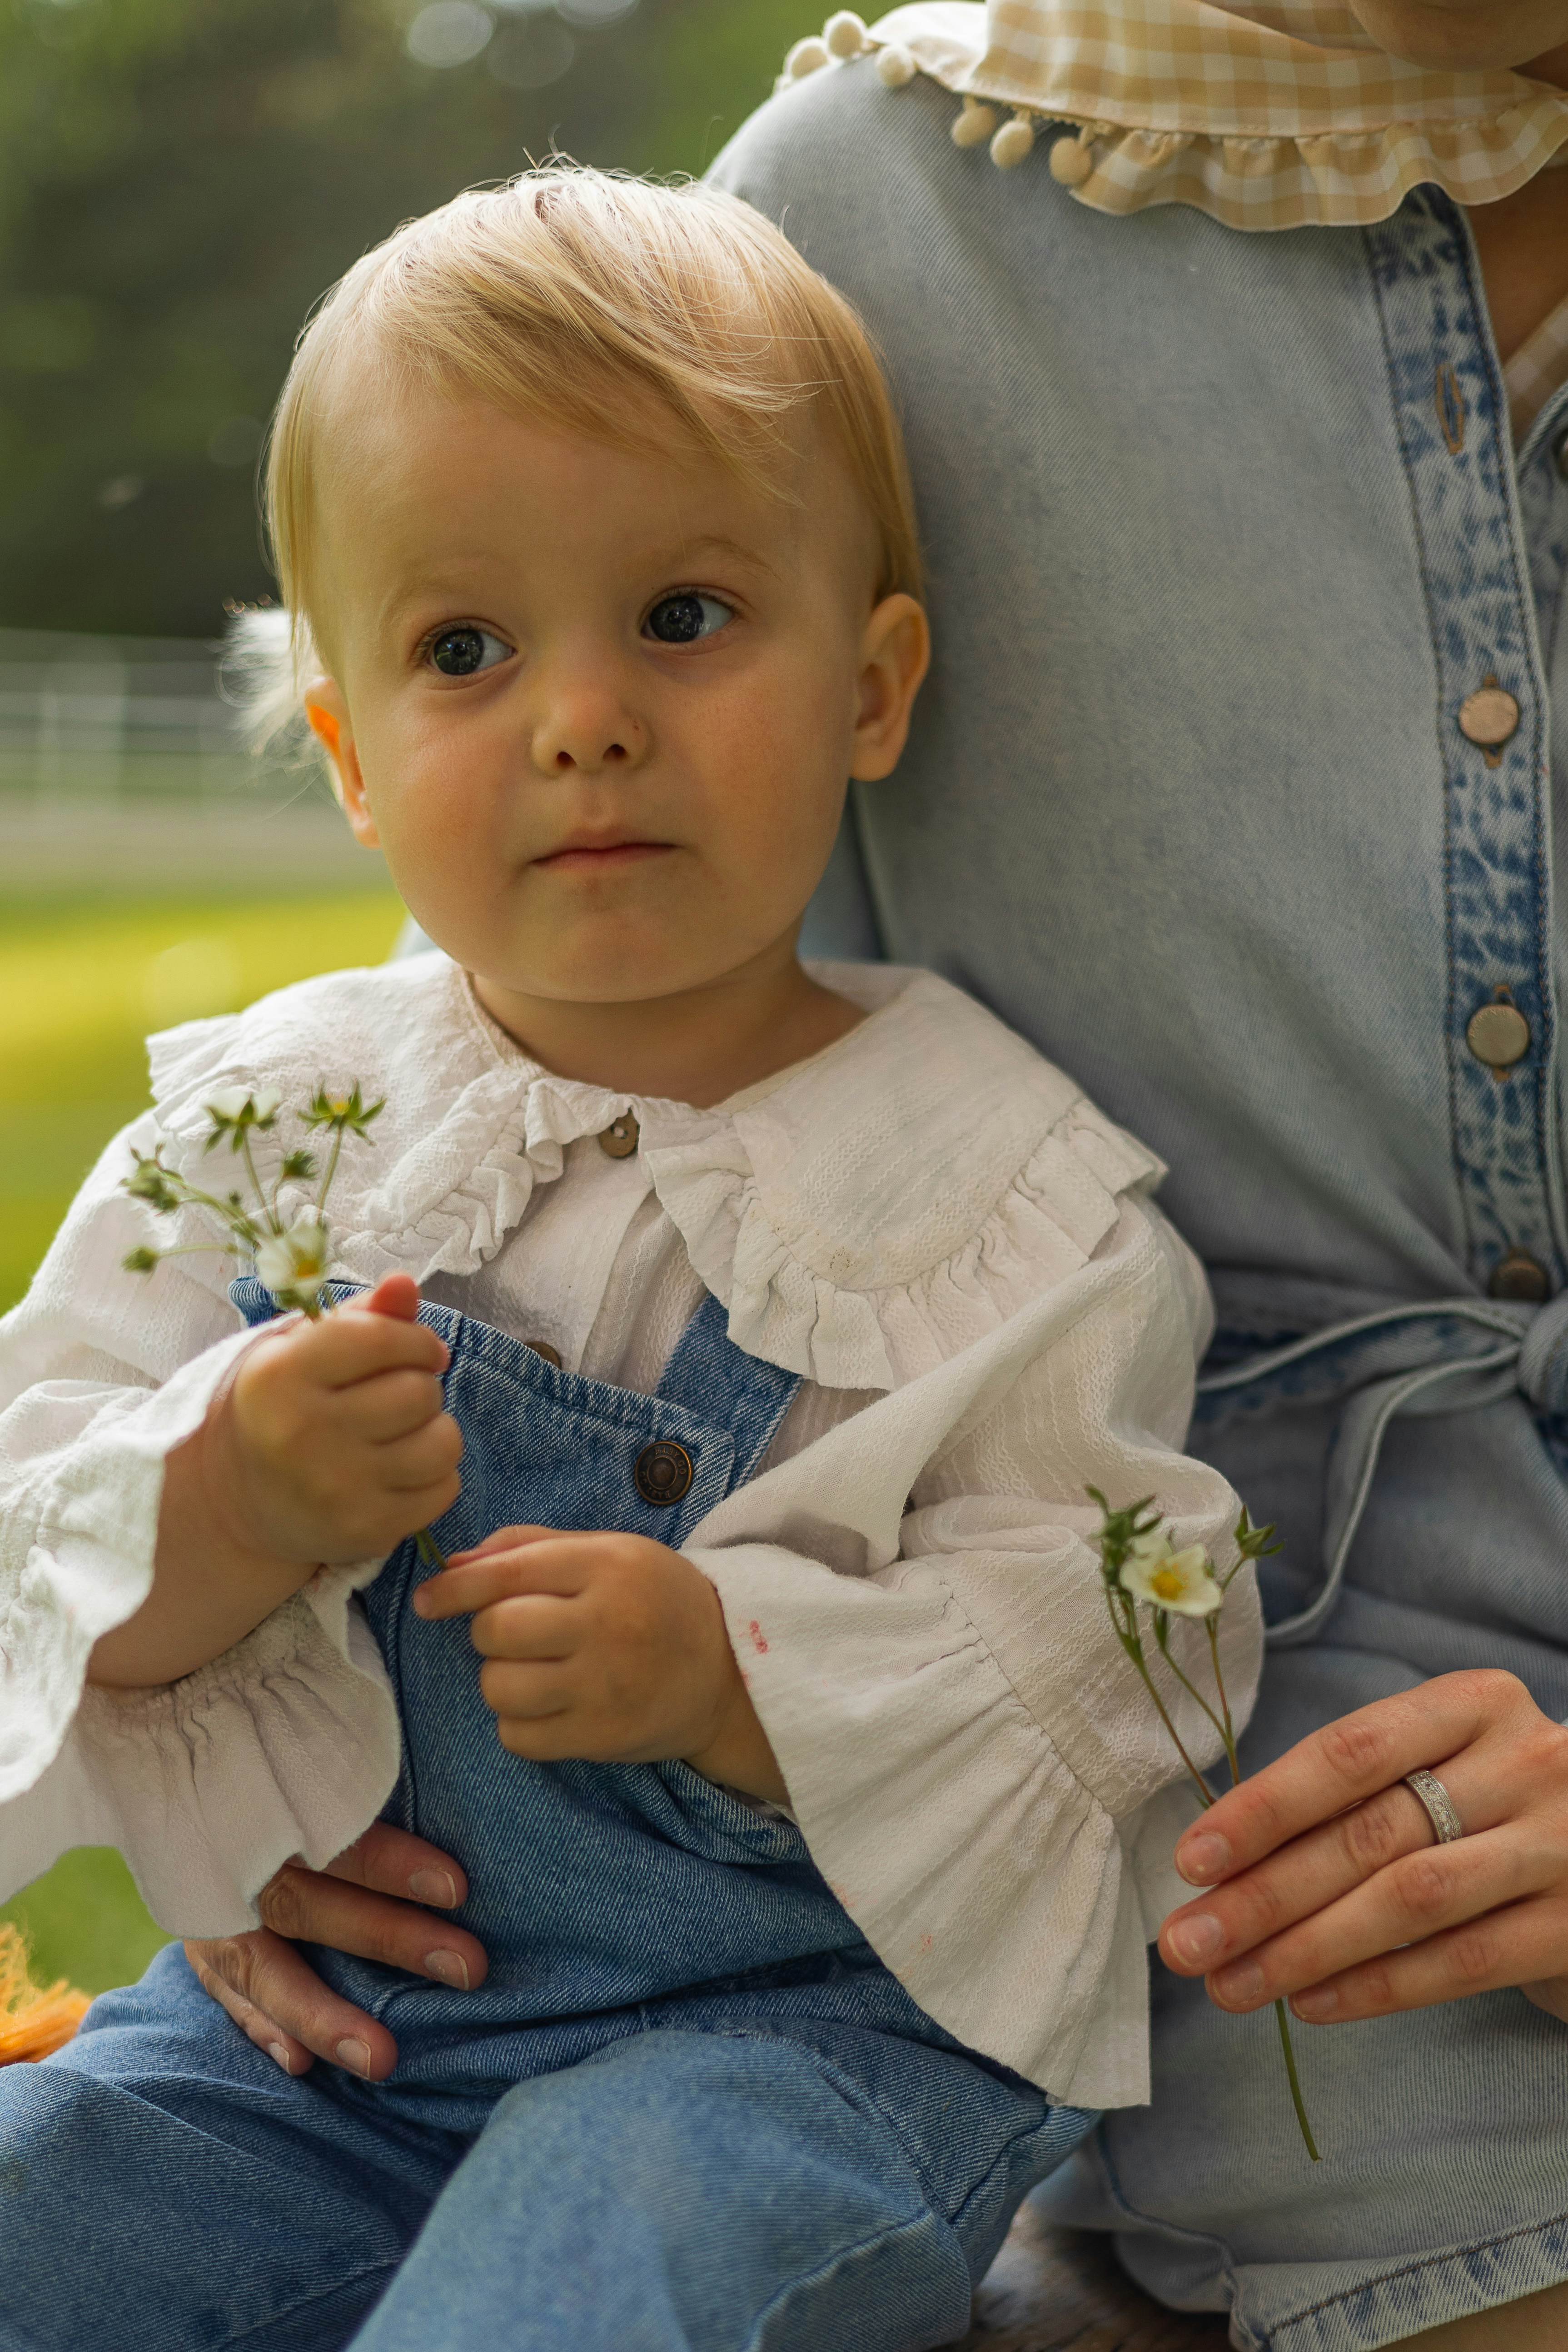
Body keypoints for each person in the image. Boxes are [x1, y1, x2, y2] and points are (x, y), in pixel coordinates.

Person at [179, 5, 1568, 2347]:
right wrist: (215, 1689)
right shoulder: (885, 200)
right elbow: (587, 1001)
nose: (586, 710)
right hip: (1131, 1834)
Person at [0, 170, 1261, 2352]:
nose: (580, 716)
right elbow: (42, 1527)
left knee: (604, 2259)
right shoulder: (272, 1139)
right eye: (465, 650)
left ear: (870, 687)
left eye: (680, 616)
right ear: (352, 763)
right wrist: (221, 1501)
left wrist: (738, 1680)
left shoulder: (1005, 1198)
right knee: (54, 2204)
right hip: (340, 2034)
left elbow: (1129, 1650)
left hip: (793, 2055)